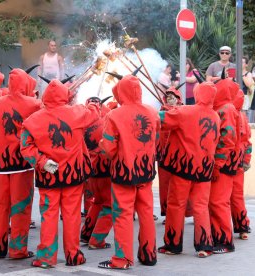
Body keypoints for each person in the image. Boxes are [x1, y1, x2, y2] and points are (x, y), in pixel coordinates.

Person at [20, 77, 99, 268]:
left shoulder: (32, 120)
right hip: (73, 175)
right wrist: (93, 104)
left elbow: (25, 147)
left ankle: (46, 258)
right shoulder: (77, 112)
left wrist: (42, 161)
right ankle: (73, 255)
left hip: (49, 174)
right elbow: (94, 114)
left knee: (48, 215)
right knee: (72, 216)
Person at [98, 74, 159, 270]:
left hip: (123, 173)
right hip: (146, 170)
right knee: (146, 212)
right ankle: (149, 255)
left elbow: (108, 148)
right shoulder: (152, 112)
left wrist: (102, 147)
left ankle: (123, 259)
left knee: (123, 215)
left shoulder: (114, 115)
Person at [158, 82, 220, 258]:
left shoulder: (185, 111)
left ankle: (173, 244)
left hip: (184, 168)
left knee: (176, 205)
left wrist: (169, 109)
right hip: (205, 169)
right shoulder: (215, 116)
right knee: (201, 206)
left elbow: (161, 120)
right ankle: (205, 246)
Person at [0, 68, 42, 259]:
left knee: (0, 207)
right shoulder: (33, 104)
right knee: (21, 207)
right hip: (22, 165)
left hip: (1, 166)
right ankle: (18, 250)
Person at [209, 76, 239, 254]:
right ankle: (219, 238)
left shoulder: (226, 109)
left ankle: (225, 242)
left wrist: (218, 163)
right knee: (217, 202)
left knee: (218, 202)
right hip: (225, 161)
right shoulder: (225, 107)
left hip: (225, 162)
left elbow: (227, 139)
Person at [80, 97, 113, 249]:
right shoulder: (104, 122)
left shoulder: (82, 123)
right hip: (105, 169)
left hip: (91, 170)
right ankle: (97, 240)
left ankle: (86, 234)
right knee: (109, 204)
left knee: (97, 201)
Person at [157, 86, 183, 224]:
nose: (170, 100)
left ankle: (183, 212)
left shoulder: (182, 112)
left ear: (178, 99)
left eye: (173, 97)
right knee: (165, 186)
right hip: (163, 155)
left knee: (179, 187)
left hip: (179, 156)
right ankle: (168, 213)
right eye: (168, 98)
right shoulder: (161, 113)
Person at [231, 89, 252, 240]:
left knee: (222, 199)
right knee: (237, 196)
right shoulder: (243, 117)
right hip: (239, 161)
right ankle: (243, 227)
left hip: (228, 161)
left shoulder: (227, 114)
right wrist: (246, 160)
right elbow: (248, 142)